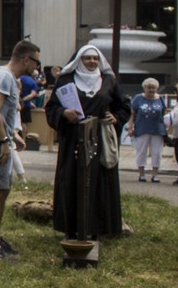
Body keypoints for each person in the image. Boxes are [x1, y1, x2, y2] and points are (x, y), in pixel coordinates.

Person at [46, 45, 131, 239]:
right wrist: (64, 114)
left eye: (95, 58)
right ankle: (72, 228)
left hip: (99, 138)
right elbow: (51, 108)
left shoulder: (108, 81)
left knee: (99, 181)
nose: (92, 62)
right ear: (79, 61)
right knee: (72, 180)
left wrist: (115, 117)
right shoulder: (66, 80)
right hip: (74, 138)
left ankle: (99, 228)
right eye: (87, 59)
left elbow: (123, 105)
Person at [0, 40, 42, 260]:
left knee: (2, 190)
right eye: (36, 62)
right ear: (26, 60)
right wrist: (4, 140)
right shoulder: (4, 77)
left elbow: (1, 113)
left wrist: (13, 135)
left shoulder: (5, 76)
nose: (37, 67)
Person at [125, 78, 167, 182]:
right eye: (149, 88)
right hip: (142, 128)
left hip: (157, 129)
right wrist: (130, 127)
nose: (151, 90)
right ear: (144, 88)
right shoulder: (138, 98)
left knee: (157, 152)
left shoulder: (160, 99)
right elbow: (133, 114)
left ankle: (154, 175)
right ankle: (142, 174)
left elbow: (163, 114)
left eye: (153, 88)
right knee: (141, 151)